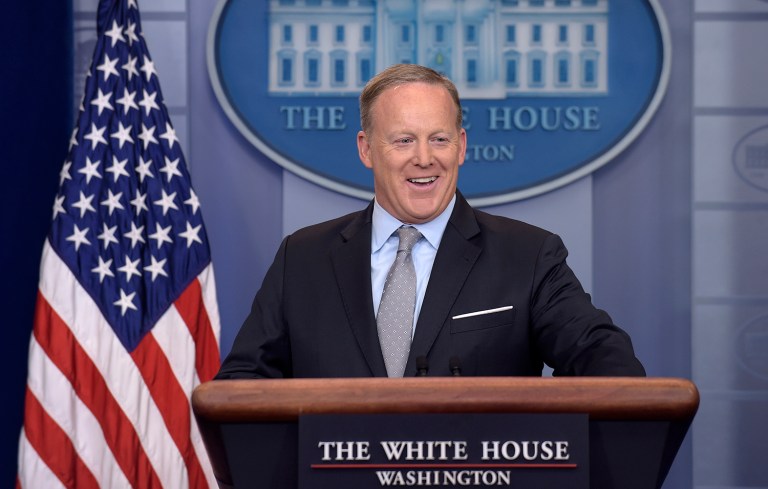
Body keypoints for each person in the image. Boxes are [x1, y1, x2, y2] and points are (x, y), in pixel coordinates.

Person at [216, 64, 645, 379]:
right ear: (366, 150)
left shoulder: (529, 255)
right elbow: (242, 385)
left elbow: (602, 356)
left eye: (438, 139)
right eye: (403, 140)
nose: (424, 158)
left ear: (460, 146)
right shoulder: (303, 258)